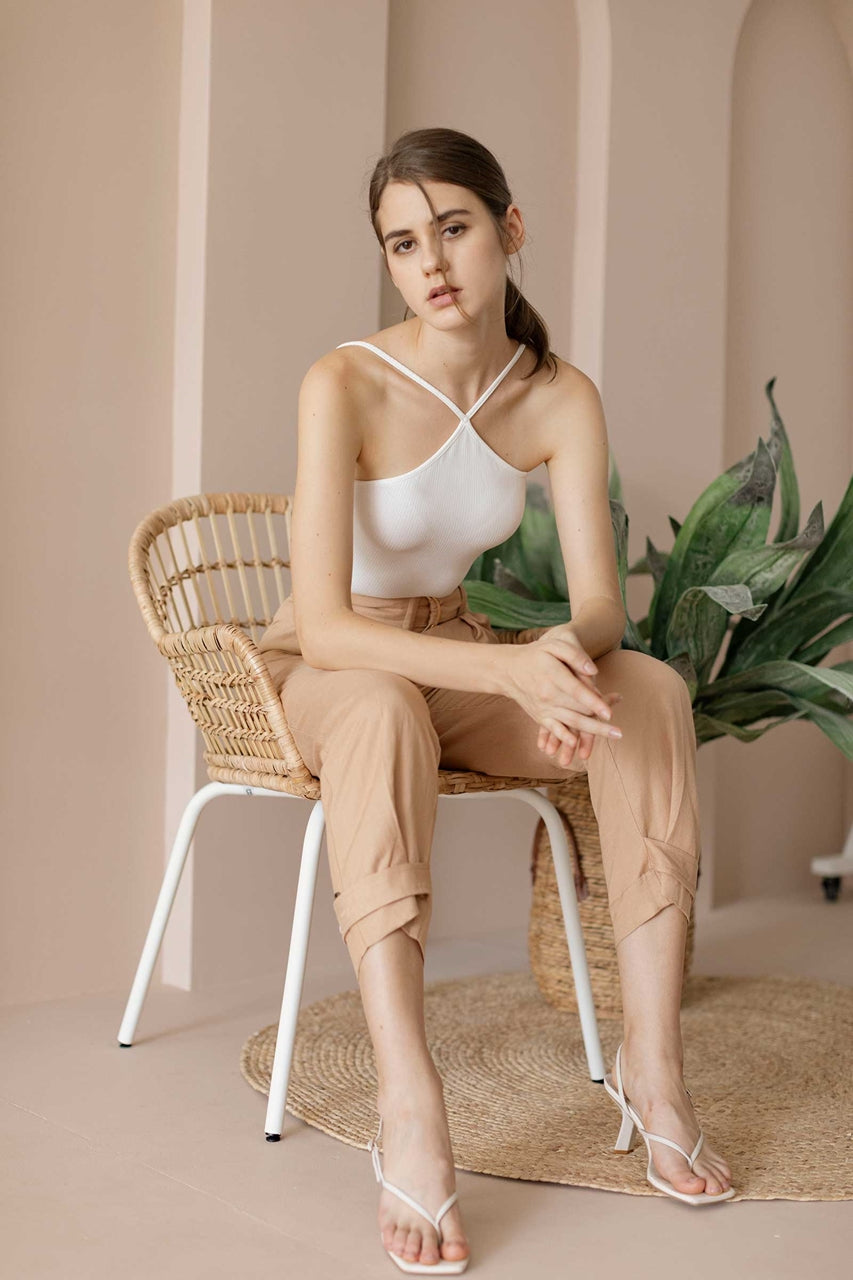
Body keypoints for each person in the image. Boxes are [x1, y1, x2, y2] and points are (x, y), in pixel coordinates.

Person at [257, 127, 734, 1273]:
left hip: (456, 652)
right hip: (328, 668)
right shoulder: (344, 382)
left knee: (647, 691)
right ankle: (410, 1100)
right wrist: (509, 671)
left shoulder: (556, 396)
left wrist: (559, 659)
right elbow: (326, 626)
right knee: (379, 706)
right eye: (402, 243)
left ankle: (654, 1069)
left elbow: (599, 603)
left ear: (510, 229)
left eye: (454, 228)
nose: (431, 263)